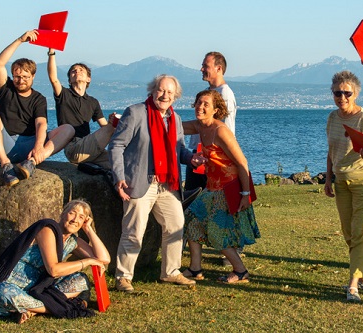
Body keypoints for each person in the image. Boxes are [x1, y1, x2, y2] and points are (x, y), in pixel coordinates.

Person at [109, 74, 203, 292]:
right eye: (161, 90)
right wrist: (119, 176)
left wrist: (191, 158)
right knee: (134, 231)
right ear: (152, 91)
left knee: (176, 226)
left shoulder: (175, 119)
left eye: (170, 92)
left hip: (167, 184)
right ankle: (123, 277)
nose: (165, 95)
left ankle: (170, 272)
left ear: (175, 96)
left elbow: (179, 149)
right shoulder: (135, 113)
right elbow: (116, 146)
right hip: (140, 182)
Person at [0, 199, 110, 324]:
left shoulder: (73, 241)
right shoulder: (47, 229)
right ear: (63, 213)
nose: (75, 220)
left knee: (81, 279)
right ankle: (50, 308)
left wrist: (88, 229)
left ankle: (32, 310)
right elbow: (53, 270)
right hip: (12, 285)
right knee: (2, 292)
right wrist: (87, 261)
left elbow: (104, 259)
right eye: (72, 213)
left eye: (81, 217)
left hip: (39, 289)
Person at [182, 90, 260, 283]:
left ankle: (240, 271)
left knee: (216, 232)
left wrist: (245, 194)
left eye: (206, 104)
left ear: (215, 110)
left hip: (228, 189)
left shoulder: (220, 130)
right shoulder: (200, 126)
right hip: (211, 188)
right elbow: (174, 127)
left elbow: (242, 162)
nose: (200, 107)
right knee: (192, 221)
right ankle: (195, 268)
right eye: (198, 102)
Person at [0, 30, 74, 187]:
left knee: (68, 129)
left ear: (33, 77)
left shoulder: (39, 99)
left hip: (30, 148)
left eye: (25, 77)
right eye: (17, 76)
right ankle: (6, 166)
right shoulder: (6, 89)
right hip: (6, 144)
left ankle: (31, 164)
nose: (21, 80)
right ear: (12, 75)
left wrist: (38, 147)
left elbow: (41, 124)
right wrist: (20, 39)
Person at [323, 71, 363, 302]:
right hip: (341, 181)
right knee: (349, 232)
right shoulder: (332, 118)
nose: (342, 97)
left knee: (362, 230)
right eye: (337, 92)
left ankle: (353, 284)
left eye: (347, 93)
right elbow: (331, 151)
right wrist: (328, 179)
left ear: (355, 94)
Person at [46, 48, 117, 169]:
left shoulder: (93, 102)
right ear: (69, 80)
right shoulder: (64, 95)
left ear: (88, 79)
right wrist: (52, 53)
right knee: (113, 126)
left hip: (89, 147)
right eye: (73, 71)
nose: (77, 72)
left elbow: (104, 126)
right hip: (73, 147)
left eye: (81, 70)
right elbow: (53, 78)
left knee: (120, 165)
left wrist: (112, 121)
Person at [185, 51, 238, 192]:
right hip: (200, 154)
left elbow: (219, 128)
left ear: (218, 68)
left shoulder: (224, 94)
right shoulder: (209, 92)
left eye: (205, 66)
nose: (201, 69)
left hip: (212, 156)